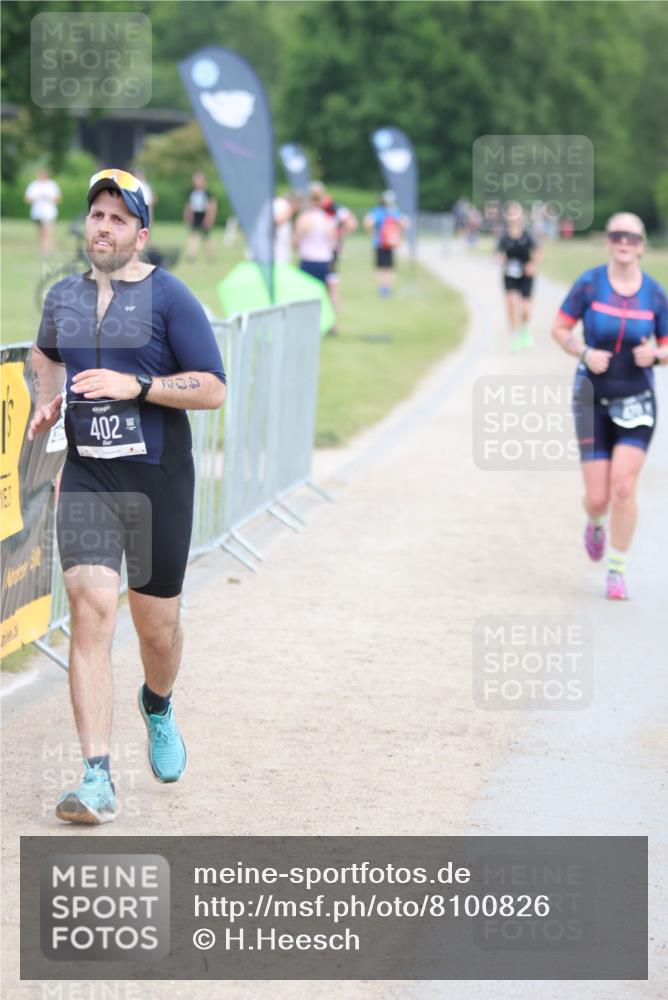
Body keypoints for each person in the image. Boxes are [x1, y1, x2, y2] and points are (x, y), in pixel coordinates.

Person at [28, 168, 227, 823]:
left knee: (156, 629)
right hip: (88, 477)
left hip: (157, 483)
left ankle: (159, 703)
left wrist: (136, 387)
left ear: (140, 234)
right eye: (96, 216)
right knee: (90, 612)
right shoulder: (63, 297)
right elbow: (45, 353)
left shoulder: (172, 300)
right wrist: (48, 399)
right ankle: (95, 778)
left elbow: (212, 387)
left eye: (118, 218)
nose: (103, 227)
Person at [551, 212, 668, 600]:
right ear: (607, 241)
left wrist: (655, 354)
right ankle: (595, 521)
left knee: (624, 486)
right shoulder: (589, 284)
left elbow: (667, 346)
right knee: (598, 497)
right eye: (617, 235)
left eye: (632, 238)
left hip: (637, 399)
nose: (624, 243)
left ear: (642, 245)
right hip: (591, 399)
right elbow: (559, 329)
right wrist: (584, 351)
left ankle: (617, 570)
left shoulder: (654, 293)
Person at [496, 201, 541, 351]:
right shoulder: (503, 235)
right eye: (510, 212)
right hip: (510, 274)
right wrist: (499, 258)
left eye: (516, 212)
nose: (513, 216)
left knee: (526, 308)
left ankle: (524, 328)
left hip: (526, 274)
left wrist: (533, 264)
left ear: (521, 215)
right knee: (511, 303)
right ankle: (514, 336)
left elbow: (538, 251)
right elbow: (497, 252)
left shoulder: (528, 233)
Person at [293, 181, 338, 302]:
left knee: (306, 297)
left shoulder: (304, 218)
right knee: (326, 294)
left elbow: (296, 241)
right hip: (325, 260)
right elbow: (333, 242)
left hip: (308, 260)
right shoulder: (326, 218)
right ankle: (330, 320)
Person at [322, 193, 358, 332]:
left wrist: (339, 237)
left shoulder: (336, 210)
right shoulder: (335, 210)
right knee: (330, 288)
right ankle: (332, 323)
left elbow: (351, 223)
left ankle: (333, 323)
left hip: (329, 254)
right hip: (328, 253)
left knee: (330, 288)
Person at [363, 190, 408, 297]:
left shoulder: (377, 211)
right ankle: (388, 289)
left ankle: (382, 289)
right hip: (391, 243)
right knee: (389, 268)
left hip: (380, 243)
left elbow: (367, 222)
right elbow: (405, 222)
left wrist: (373, 232)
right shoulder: (393, 211)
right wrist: (399, 234)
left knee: (381, 268)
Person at [24, 167, 62, 254]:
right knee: (40, 233)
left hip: (49, 213)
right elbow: (27, 199)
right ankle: (42, 249)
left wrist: (48, 197)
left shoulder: (52, 185)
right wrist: (36, 197)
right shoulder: (34, 185)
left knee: (47, 232)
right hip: (37, 213)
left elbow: (57, 199)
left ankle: (48, 250)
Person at [184, 171, 217, 262]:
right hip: (195, 215)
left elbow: (212, 205)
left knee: (206, 237)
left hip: (204, 215)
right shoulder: (192, 192)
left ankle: (210, 256)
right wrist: (187, 215)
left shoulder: (207, 193)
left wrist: (209, 218)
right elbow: (189, 205)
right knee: (193, 235)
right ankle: (191, 256)